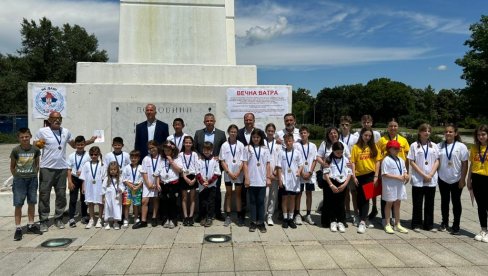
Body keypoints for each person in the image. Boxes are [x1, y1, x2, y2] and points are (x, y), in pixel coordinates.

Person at [35, 111, 95, 231]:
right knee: (44, 195)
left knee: (61, 196)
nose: (57, 120)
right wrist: (39, 144)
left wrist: (90, 141)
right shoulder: (42, 131)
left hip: (61, 168)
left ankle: (58, 218)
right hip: (47, 168)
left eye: (59, 118)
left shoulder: (66, 132)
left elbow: (74, 145)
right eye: (55, 118)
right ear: (49, 119)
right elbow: (36, 146)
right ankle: (43, 220)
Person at [375, 118, 410, 226]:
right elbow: (378, 158)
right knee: (386, 196)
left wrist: (407, 172)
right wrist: (377, 174)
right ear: (387, 127)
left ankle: (395, 218)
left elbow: (407, 158)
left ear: (398, 127)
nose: (393, 128)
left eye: (395, 126)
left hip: (400, 170)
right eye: (391, 126)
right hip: (387, 171)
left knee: (397, 197)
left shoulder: (403, 140)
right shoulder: (382, 140)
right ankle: (385, 218)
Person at [10, 128, 42, 240]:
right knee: (18, 204)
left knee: (32, 202)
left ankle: (31, 224)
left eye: (26, 136)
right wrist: (18, 177)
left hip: (32, 179)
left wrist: (33, 174)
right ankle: (18, 228)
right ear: (19, 138)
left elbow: (37, 164)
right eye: (22, 137)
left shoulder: (35, 150)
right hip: (19, 180)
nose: (24, 139)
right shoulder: (15, 150)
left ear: (30, 136)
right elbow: (12, 167)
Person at [193, 113, 226, 220]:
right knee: (202, 192)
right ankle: (202, 214)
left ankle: (217, 213)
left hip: (214, 166)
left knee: (215, 192)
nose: (209, 122)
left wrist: (219, 157)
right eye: (207, 121)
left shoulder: (221, 133)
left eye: (211, 120)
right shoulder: (198, 133)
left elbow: (224, 149)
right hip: (202, 165)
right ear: (204, 122)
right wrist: (198, 155)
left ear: (214, 121)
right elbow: (194, 147)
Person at [407, 123, 439, 232]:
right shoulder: (414, 145)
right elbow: (411, 161)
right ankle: (416, 224)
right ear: (420, 132)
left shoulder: (434, 145)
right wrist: (423, 174)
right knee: (417, 203)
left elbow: (437, 161)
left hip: (431, 179)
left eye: (429, 131)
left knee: (430, 203)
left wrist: (430, 174)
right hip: (418, 179)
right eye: (424, 130)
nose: (427, 133)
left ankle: (429, 225)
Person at [437, 124, 468, 234]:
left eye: (450, 132)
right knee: (444, 202)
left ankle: (456, 225)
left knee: (456, 202)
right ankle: (444, 222)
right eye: (446, 132)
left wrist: (463, 179)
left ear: (455, 133)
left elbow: (465, 164)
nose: (448, 134)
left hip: (456, 179)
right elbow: (436, 161)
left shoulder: (461, 146)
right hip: (443, 179)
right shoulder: (439, 146)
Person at [316, 127, 350, 227]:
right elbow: (318, 156)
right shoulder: (324, 144)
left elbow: (348, 157)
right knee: (328, 200)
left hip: (341, 177)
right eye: (331, 133)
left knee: (339, 201)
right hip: (328, 176)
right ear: (328, 135)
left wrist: (350, 165)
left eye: (335, 133)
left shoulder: (343, 144)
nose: (333, 135)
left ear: (338, 134)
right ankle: (328, 221)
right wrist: (324, 163)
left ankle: (339, 220)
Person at [350, 127, 381, 234]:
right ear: (361, 135)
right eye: (365, 135)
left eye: (369, 136)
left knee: (366, 198)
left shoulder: (374, 147)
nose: (367, 137)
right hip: (359, 176)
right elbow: (353, 162)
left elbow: (377, 162)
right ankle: (361, 216)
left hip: (370, 175)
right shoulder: (355, 147)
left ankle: (363, 222)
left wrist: (376, 176)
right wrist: (353, 176)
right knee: (359, 198)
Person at [243, 129, 272, 233]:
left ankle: (261, 222)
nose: (256, 139)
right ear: (251, 138)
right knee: (252, 202)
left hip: (262, 180)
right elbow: (245, 164)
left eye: (258, 137)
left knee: (261, 201)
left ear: (261, 138)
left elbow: (268, 164)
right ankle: (253, 222)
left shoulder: (265, 149)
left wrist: (268, 178)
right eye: (254, 137)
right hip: (251, 180)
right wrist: (246, 178)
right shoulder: (247, 148)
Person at [381, 140, 409, 234]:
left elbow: (404, 170)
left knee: (398, 203)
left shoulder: (400, 159)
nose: (397, 150)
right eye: (395, 148)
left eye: (398, 148)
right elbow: (384, 174)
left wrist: (406, 175)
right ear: (389, 149)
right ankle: (387, 224)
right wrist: (397, 177)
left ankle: (397, 223)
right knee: (389, 204)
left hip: (399, 185)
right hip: (390, 185)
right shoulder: (386, 160)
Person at [323, 142, 351, 233]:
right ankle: (333, 221)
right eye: (337, 152)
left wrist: (345, 184)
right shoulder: (329, 159)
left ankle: (341, 221)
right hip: (332, 182)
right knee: (332, 202)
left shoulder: (346, 159)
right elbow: (326, 173)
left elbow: (350, 172)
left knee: (341, 203)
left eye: (341, 152)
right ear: (333, 151)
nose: (339, 154)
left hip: (342, 183)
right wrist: (331, 185)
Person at [220, 124, 245, 226]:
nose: (233, 133)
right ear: (228, 132)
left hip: (238, 174)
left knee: (238, 195)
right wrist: (229, 172)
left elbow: (243, 160)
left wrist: (238, 172)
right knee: (229, 194)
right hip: (228, 174)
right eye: (231, 132)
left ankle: (239, 216)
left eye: (235, 132)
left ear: (237, 133)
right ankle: (228, 216)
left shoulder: (241, 145)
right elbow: (222, 161)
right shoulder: (224, 145)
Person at [277, 133, 303, 229]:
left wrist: (299, 172)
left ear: (293, 141)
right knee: (284, 198)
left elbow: (301, 165)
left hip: (294, 179)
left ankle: (291, 218)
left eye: (290, 141)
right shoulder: (281, 152)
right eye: (286, 141)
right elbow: (279, 167)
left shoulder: (297, 153)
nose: (288, 143)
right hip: (284, 179)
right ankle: (285, 218)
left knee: (292, 198)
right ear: (284, 142)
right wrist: (279, 179)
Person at [133, 140, 161, 229]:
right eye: (149, 148)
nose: (151, 149)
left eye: (153, 147)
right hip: (147, 183)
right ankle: (143, 220)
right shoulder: (146, 159)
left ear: (157, 147)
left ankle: (154, 217)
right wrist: (148, 184)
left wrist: (157, 183)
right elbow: (144, 172)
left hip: (157, 182)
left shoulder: (161, 158)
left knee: (156, 199)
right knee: (144, 201)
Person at [468, 125, 488, 243]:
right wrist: (468, 179)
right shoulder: (474, 148)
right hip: (476, 178)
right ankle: (483, 229)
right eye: (479, 134)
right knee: (481, 206)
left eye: (483, 134)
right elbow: (472, 164)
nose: (481, 137)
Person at [157, 140, 182, 228]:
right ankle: (165, 219)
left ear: (172, 150)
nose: (166, 152)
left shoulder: (177, 158)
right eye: (165, 150)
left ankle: (173, 219)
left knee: (173, 201)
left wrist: (171, 161)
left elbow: (179, 170)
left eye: (168, 150)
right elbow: (157, 172)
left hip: (173, 183)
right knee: (164, 201)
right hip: (163, 183)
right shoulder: (161, 158)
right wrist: (157, 183)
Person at [295, 126, 317, 225]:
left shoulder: (313, 145)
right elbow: (294, 160)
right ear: (299, 134)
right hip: (300, 174)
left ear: (308, 134)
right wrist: (301, 172)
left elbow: (315, 160)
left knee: (309, 194)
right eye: (301, 133)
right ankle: (297, 214)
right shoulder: (296, 145)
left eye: (305, 133)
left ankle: (308, 214)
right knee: (298, 194)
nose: (303, 134)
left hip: (309, 175)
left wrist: (310, 172)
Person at [196, 142, 222, 227]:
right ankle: (203, 216)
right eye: (204, 150)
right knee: (202, 201)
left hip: (212, 185)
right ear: (202, 150)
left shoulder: (214, 160)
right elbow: (197, 172)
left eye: (208, 150)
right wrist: (202, 182)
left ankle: (210, 217)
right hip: (202, 185)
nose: (206, 152)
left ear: (211, 150)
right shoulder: (199, 160)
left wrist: (209, 182)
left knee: (211, 202)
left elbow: (217, 173)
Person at [339, 116, 359, 225]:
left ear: (350, 126)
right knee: (345, 192)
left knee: (354, 192)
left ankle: (356, 213)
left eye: (346, 125)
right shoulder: (338, 137)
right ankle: (347, 212)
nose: (344, 127)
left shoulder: (354, 138)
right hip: (340, 169)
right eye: (342, 125)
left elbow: (357, 153)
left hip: (351, 168)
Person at [80, 146, 106, 229]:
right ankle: (92, 219)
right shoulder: (87, 164)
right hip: (89, 187)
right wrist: (83, 187)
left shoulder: (102, 164)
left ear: (98, 154)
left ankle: (100, 219)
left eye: (95, 154)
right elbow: (83, 177)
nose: (93, 156)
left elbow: (105, 177)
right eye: (91, 154)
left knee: (100, 203)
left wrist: (104, 188)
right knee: (90, 203)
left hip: (99, 186)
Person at [67, 135, 90, 228]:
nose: (80, 146)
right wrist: (69, 181)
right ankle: (71, 218)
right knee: (73, 198)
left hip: (85, 179)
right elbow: (68, 169)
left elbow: (90, 167)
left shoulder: (88, 155)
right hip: (74, 178)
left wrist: (83, 172)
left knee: (84, 198)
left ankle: (84, 215)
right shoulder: (71, 156)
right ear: (75, 145)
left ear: (84, 144)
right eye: (78, 145)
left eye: (81, 144)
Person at [179, 136, 199, 226]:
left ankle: (191, 216)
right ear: (183, 143)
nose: (188, 144)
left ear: (192, 144)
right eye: (186, 142)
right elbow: (180, 168)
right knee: (184, 198)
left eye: (189, 142)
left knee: (192, 198)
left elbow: (197, 167)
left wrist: (195, 179)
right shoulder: (180, 154)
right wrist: (185, 177)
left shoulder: (194, 154)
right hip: (184, 177)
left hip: (193, 177)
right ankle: (185, 216)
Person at [264, 123, 281, 226]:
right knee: (265, 196)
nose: (270, 132)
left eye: (272, 131)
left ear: (274, 132)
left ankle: (270, 215)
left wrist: (275, 171)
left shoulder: (278, 144)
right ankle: (263, 214)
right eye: (268, 131)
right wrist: (267, 174)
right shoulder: (262, 142)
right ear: (266, 131)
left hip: (275, 174)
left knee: (273, 196)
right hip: (265, 174)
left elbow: (280, 159)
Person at [122, 150, 144, 228]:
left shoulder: (141, 167)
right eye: (132, 158)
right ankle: (126, 219)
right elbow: (124, 179)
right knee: (127, 204)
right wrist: (130, 185)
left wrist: (138, 186)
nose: (133, 159)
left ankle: (136, 218)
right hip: (128, 188)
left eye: (135, 158)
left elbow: (143, 179)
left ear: (138, 158)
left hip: (137, 188)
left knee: (136, 204)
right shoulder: (127, 167)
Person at [103, 161, 124, 230]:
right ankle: (107, 222)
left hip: (117, 197)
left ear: (117, 170)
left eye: (114, 169)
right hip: (108, 196)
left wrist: (121, 189)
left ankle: (116, 222)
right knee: (108, 208)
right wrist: (103, 197)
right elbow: (103, 188)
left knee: (116, 208)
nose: (113, 171)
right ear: (109, 170)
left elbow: (122, 186)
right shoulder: (107, 178)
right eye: (111, 170)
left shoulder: (120, 178)